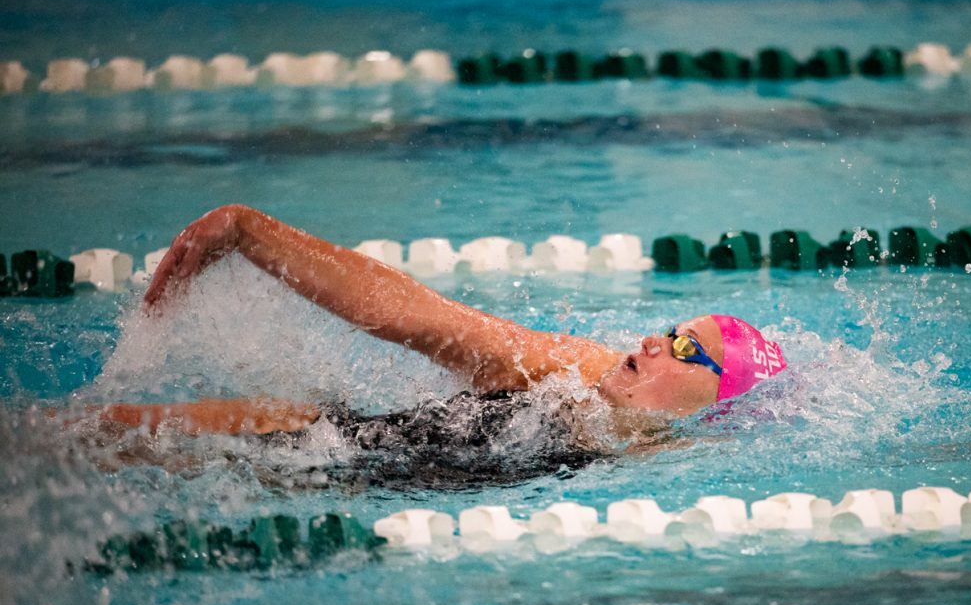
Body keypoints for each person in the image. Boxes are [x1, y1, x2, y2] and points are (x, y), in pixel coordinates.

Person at [90, 205, 788, 485]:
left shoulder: (675, 458)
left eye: (685, 351)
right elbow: (413, 315)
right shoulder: (575, 370)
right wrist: (249, 234)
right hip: (310, 439)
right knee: (72, 437)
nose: (653, 343)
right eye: (670, 331)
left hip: (326, 477)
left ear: (712, 406)